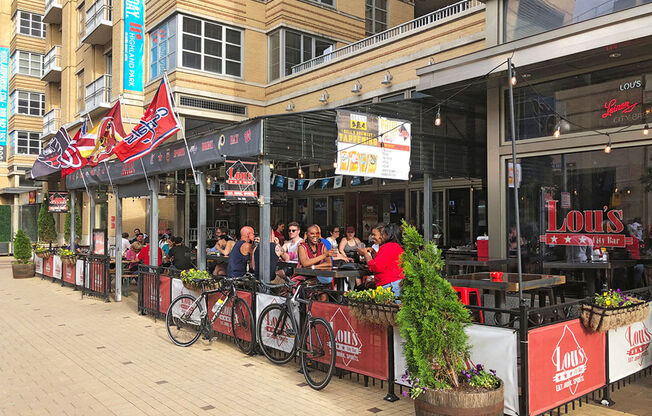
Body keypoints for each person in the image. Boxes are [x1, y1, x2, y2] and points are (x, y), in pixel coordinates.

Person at [358, 223, 404, 297]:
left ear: (388, 235)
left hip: (391, 286)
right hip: (395, 284)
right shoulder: (395, 246)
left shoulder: (388, 247)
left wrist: (365, 254)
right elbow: (386, 264)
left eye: (384, 233)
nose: (372, 237)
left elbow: (376, 267)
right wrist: (373, 253)